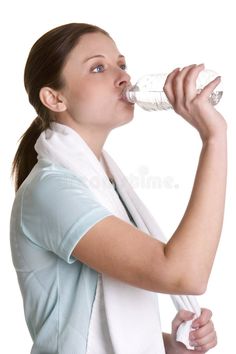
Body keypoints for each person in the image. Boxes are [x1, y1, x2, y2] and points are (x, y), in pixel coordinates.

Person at [10, 23, 227, 354]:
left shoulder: (104, 181)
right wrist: (214, 138)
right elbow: (184, 273)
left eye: (121, 64)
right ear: (54, 97)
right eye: (98, 67)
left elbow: (87, 328)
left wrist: (173, 345)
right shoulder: (52, 190)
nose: (124, 77)